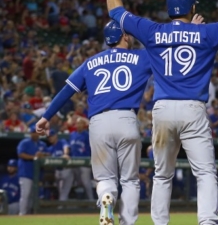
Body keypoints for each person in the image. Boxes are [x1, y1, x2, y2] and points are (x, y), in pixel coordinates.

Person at [106, 0, 218, 224]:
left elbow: (115, 12)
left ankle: (160, 223)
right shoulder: (207, 32)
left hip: (163, 109)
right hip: (192, 109)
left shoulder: (152, 30)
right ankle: (207, 221)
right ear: (192, 8)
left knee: (162, 174)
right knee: (205, 172)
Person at [35, 20, 152, 225]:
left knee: (105, 178)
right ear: (125, 36)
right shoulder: (142, 56)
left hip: (99, 122)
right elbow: (166, 50)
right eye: (129, 34)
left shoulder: (91, 61)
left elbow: (67, 91)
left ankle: (107, 196)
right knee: (130, 180)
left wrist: (46, 117)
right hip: (127, 119)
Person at [17, 125, 48, 215]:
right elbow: (21, 154)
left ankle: (30, 215)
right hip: (26, 173)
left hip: (37, 174)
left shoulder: (42, 144)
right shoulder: (24, 142)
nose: (35, 134)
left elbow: (47, 154)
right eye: (33, 132)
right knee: (25, 195)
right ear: (30, 133)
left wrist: (43, 155)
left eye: (36, 132)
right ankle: (22, 214)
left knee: (34, 196)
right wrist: (35, 157)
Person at [46, 129, 73, 202]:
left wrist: (65, 154)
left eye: (51, 136)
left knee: (64, 192)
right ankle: (65, 208)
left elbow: (66, 147)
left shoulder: (62, 142)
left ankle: (61, 208)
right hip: (57, 171)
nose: (50, 138)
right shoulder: (50, 148)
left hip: (66, 169)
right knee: (61, 192)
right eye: (49, 137)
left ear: (56, 136)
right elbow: (47, 156)